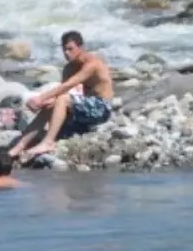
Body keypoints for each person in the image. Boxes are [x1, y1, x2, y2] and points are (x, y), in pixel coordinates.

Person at [8, 30, 114, 161]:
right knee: (50, 105)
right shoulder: (69, 68)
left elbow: (68, 85)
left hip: (101, 109)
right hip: (84, 111)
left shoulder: (92, 64)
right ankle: (19, 146)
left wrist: (40, 98)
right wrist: (42, 103)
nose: (66, 53)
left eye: (70, 49)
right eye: (64, 50)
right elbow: (61, 93)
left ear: (81, 47)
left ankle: (48, 143)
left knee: (62, 100)